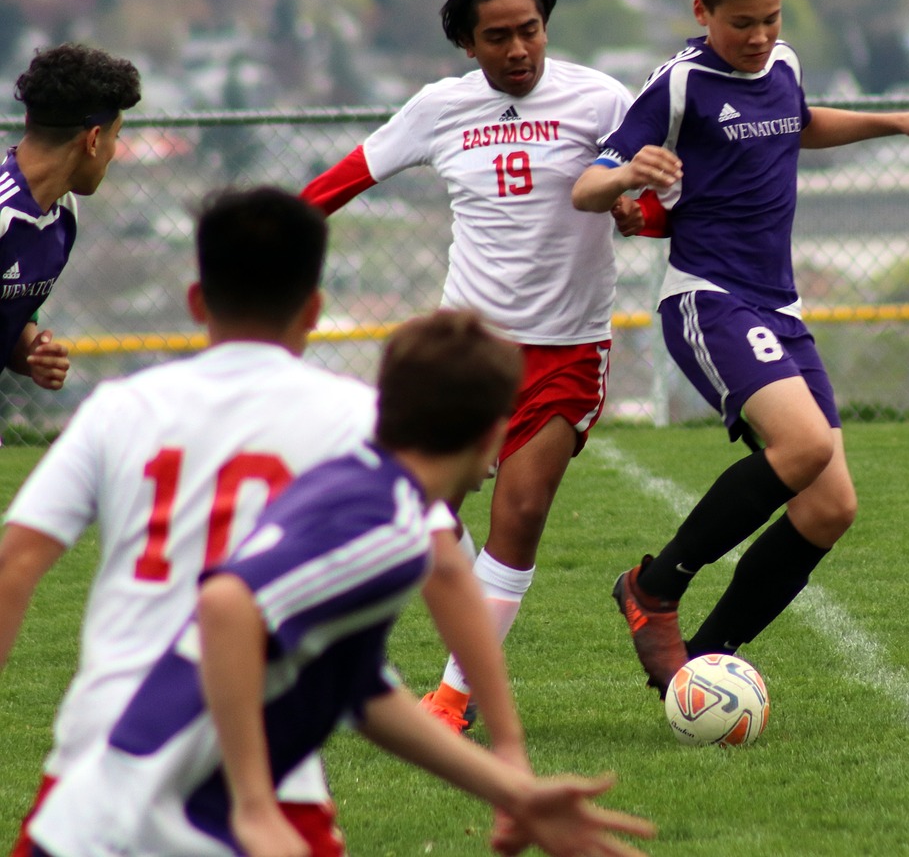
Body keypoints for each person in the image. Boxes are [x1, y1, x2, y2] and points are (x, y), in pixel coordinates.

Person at [0, 187, 527, 856]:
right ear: (314, 307)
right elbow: (445, 566)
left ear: (197, 301)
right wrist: (507, 746)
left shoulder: (120, 408)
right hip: (271, 773)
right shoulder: (359, 419)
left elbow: (14, 567)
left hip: (102, 760)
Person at [26, 309, 656, 857]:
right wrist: (254, 805)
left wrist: (511, 788)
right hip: (149, 824)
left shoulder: (367, 492)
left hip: (112, 810)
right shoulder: (387, 525)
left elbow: (359, 690)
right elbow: (225, 605)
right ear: (496, 431)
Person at [571, 0, 909, 696]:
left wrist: (898, 121)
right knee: (805, 445)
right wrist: (627, 177)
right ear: (702, 10)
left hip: (778, 306)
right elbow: (588, 184)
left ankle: (699, 668)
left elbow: (798, 122)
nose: (759, 38)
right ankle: (653, 588)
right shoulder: (678, 85)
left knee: (830, 507)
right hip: (707, 297)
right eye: (742, 23)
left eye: (771, 19)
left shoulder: (780, 65)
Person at [301, 0, 636, 732]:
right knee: (416, 511)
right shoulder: (437, 109)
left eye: (531, 30)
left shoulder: (601, 99)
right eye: (498, 37)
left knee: (519, 517)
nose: (519, 48)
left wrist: (636, 210)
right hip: (467, 352)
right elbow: (345, 179)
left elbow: (648, 203)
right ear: (466, 44)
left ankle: (454, 695)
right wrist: (267, 236)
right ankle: (354, 656)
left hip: (566, 348)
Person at [0, 42, 141, 391]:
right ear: (94, 140)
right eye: (116, 137)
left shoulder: (63, 213)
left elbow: (10, 322)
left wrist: (32, 353)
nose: (113, 152)